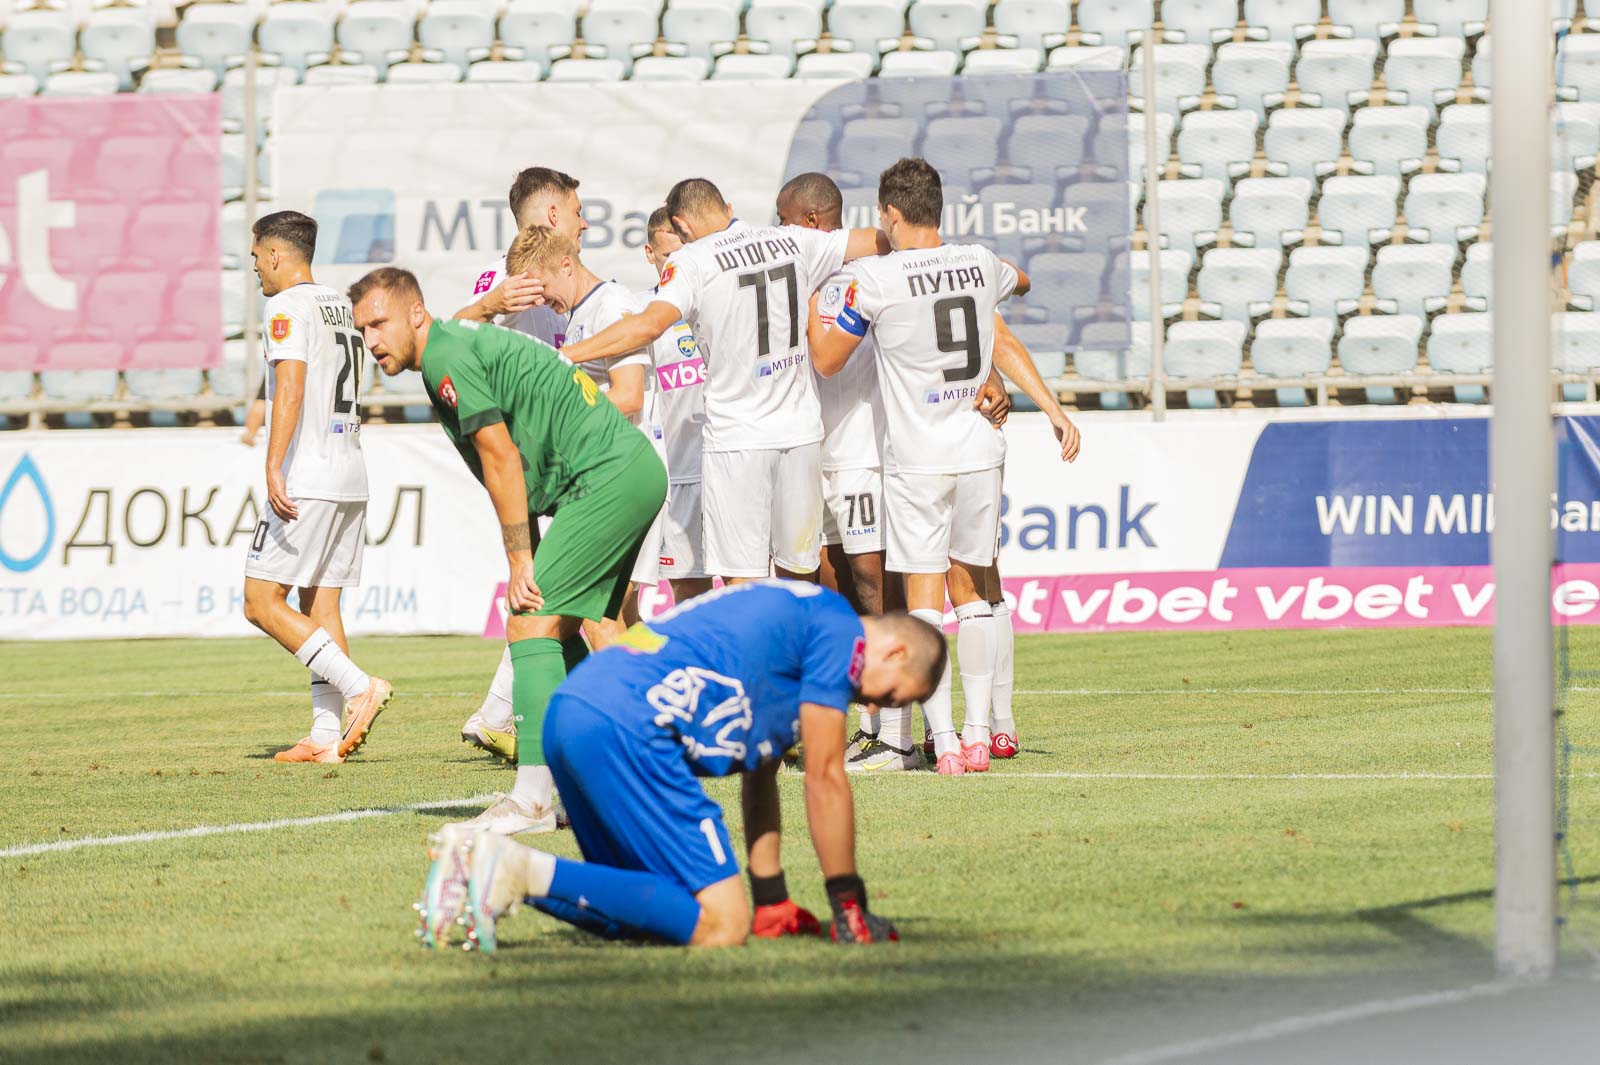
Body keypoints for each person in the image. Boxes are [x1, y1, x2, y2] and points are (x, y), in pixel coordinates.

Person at [415, 581, 944, 952]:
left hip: (574, 711)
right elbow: (825, 775)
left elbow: (762, 769)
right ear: (895, 652)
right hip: (629, 726)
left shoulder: (796, 630)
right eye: (891, 695)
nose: (873, 705)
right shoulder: (840, 632)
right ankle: (502, 864)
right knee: (723, 924)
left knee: (658, 912)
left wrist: (772, 900)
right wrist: (848, 905)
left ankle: (496, 871)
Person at [351, 267, 666, 834]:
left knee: (527, 620)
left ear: (417, 313)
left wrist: (521, 561)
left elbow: (501, 459)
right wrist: (529, 552)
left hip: (607, 477)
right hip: (625, 472)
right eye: (363, 331)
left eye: (379, 323)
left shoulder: (445, 356)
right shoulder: (452, 344)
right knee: (565, 632)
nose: (371, 340)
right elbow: (514, 458)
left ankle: (533, 801)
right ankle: (622, 775)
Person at [808, 158, 1079, 776]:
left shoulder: (876, 278)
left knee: (924, 600)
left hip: (918, 459)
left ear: (891, 214)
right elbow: (1021, 280)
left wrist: (814, 305)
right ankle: (982, 735)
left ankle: (945, 743)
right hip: (981, 449)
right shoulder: (979, 262)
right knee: (975, 593)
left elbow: (826, 359)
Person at [557, 178, 889, 585]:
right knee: (801, 577)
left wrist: (567, 354)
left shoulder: (693, 260)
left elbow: (647, 326)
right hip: (800, 435)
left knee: (741, 583)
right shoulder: (793, 239)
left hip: (738, 440)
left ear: (682, 225)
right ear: (726, 208)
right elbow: (881, 240)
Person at [241, 211, 393, 764]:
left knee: (260, 601)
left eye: (256, 256)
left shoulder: (285, 305)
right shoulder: (339, 305)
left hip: (309, 475)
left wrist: (273, 464)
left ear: (276, 254)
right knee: (321, 603)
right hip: (351, 470)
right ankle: (327, 734)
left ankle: (360, 688)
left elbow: (291, 386)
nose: (254, 267)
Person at [454, 167, 587, 761]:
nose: (584, 222)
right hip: (535, 456)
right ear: (554, 214)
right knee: (553, 586)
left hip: (558, 449)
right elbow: (451, 336)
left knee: (549, 585)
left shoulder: (563, 273)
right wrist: (489, 304)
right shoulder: (505, 277)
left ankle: (499, 713)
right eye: (577, 211)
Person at [505, 223, 662, 640]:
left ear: (565, 264)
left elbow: (629, 396)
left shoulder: (611, 304)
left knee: (594, 615)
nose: (540, 300)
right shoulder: (579, 315)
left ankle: (629, 690)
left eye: (541, 287)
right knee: (619, 615)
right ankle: (676, 677)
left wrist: (557, 426)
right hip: (609, 480)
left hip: (628, 479)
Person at [642, 207, 713, 607]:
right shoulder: (641, 312)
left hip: (731, 461)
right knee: (689, 594)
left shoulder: (716, 296)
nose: (678, 265)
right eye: (669, 256)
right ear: (649, 253)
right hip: (679, 472)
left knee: (746, 581)